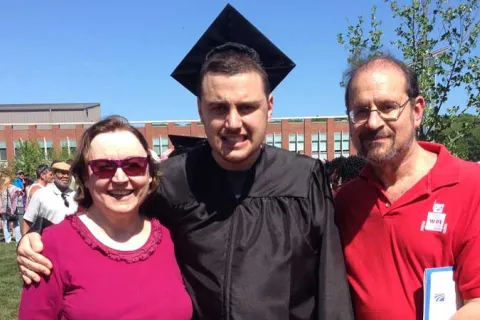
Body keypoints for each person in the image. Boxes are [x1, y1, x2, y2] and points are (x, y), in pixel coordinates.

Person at [16, 5, 353, 320]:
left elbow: (331, 287)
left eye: (247, 107)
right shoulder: (172, 180)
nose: (233, 123)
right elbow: (107, 221)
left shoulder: (303, 178)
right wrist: (36, 242)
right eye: (218, 108)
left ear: (270, 106)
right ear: (200, 110)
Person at [334, 54, 480, 319]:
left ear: (417, 111)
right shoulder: (344, 202)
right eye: (361, 111)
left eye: (388, 107)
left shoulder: (471, 186)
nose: (374, 122)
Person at [18, 116, 192, 319]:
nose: (120, 178)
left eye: (134, 165)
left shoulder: (171, 237)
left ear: (150, 174)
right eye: (103, 167)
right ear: (84, 177)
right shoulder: (51, 247)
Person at [21, 162, 77, 235]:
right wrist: (25, 242)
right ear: (53, 174)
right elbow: (27, 222)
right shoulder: (41, 194)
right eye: (62, 173)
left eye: (68, 173)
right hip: (48, 242)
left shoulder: (76, 196)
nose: (65, 176)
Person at [0, 176, 24, 244]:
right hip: (14, 208)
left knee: (5, 224)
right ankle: (18, 239)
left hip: (4, 209)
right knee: (16, 223)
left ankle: (8, 240)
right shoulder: (15, 188)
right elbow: (21, 195)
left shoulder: (2, 189)